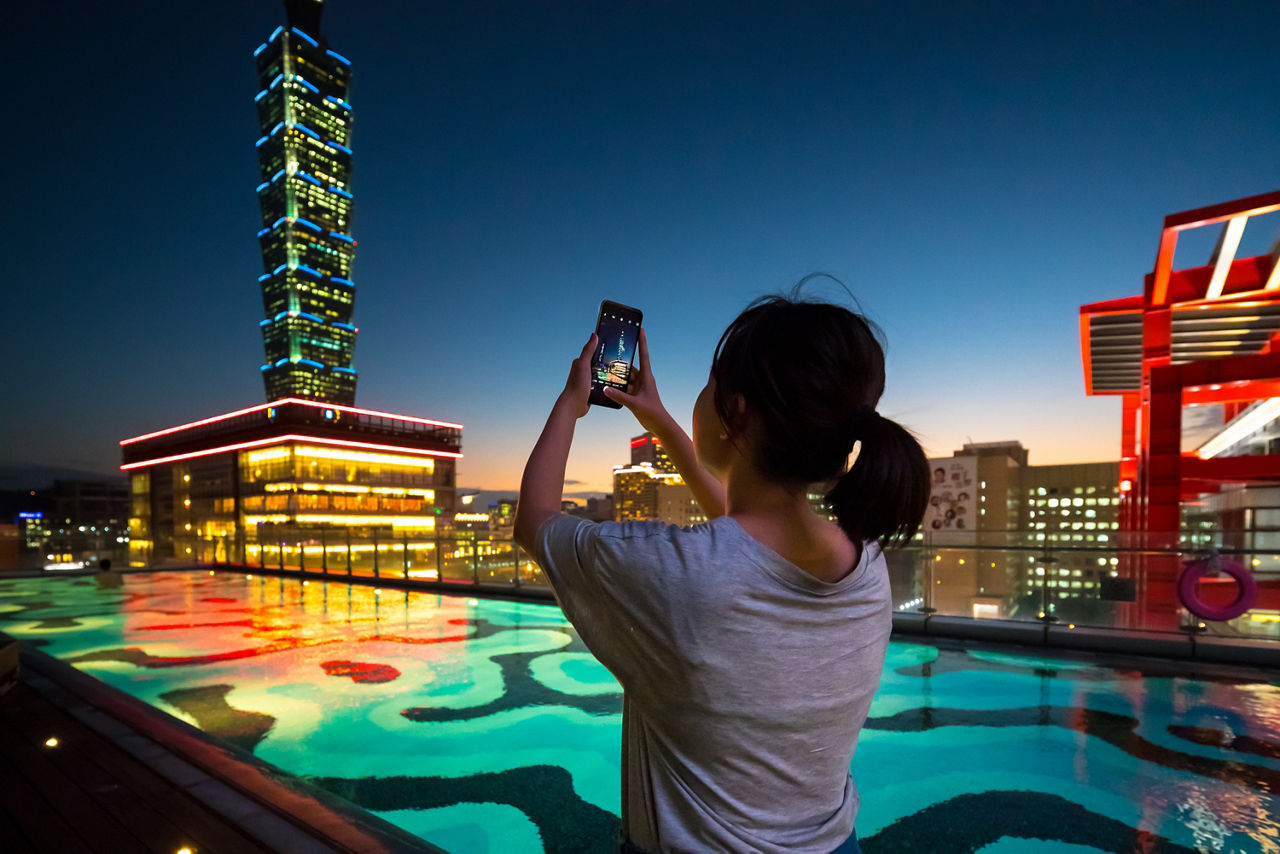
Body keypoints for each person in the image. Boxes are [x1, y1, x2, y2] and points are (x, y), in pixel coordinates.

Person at [514, 290, 930, 853]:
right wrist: (659, 419)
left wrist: (571, 401)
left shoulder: (673, 572)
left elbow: (534, 520)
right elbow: (745, 541)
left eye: (707, 387)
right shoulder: (868, 564)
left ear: (734, 411)